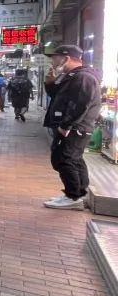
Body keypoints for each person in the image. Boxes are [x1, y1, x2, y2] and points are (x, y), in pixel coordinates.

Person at [42, 45, 101, 210]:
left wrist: (66, 125)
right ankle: (78, 193)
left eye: (55, 58)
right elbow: (58, 96)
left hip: (75, 127)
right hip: (73, 127)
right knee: (74, 159)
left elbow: (80, 105)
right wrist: (49, 82)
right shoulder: (72, 76)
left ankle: (73, 196)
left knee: (64, 160)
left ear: (66, 58)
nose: (52, 62)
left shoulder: (83, 77)